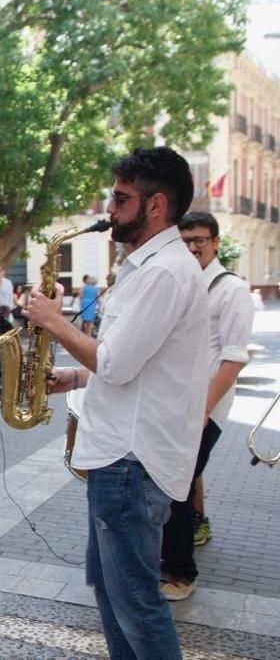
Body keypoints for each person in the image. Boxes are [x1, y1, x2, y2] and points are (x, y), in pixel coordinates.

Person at [23, 146, 209, 659]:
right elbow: (134, 363)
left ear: (155, 205)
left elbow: (120, 363)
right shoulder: (148, 265)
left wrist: (54, 322)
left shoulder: (164, 271)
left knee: (135, 602)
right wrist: (77, 375)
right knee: (112, 593)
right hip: (121, 457)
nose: (109, 207)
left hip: (131, 461)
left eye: (120, 198)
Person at [159, 211, 254, 600]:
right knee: (175, 480)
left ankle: (181, 574)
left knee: (176, 486)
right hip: (176, 403)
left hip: (204, 408)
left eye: (199, 239)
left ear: (215, 242)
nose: (192, 247)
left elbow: (233, 357)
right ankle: (182, 543)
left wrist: (203, 409)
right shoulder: (183, 283)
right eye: (185, 241)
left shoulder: (231, 290)